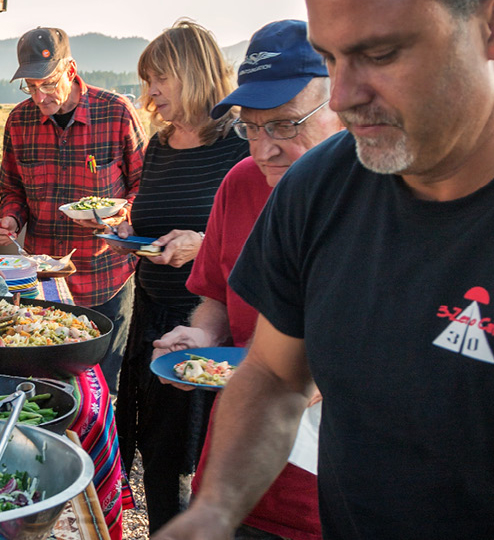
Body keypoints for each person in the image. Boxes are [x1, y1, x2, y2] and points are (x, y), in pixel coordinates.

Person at [153, 0, 494, 538]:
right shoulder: (316, 187)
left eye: (380, 53)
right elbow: (277, 375)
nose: (344, 98)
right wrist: (214, 513)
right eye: (330, 59)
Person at [153, 19, 346, 540]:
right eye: (251, 127)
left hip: (334, 496)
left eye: (285, 124)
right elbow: (216, 291)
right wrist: (202, 336)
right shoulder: (240, 184)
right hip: (235, 479)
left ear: (341, 99)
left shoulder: (384, 196)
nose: (263, 149)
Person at [99, 20, 250, 534]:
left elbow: (264, 237)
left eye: (159, 78)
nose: (150, 93)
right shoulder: (160, 146)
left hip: (211, 321)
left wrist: (204, 247)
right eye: (146, 80)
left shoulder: (243, 144)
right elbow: (152, 221)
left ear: (194, 73)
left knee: (205, 461)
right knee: (156, 456)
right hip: (152, 313)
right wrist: (126, 233)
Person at [0, 27, 147, 393]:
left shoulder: (116, 112)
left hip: (105, 275)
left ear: (71, 69)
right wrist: (11, 218)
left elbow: (144, 184)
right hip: (44, 281)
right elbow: (12, 189)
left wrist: (121, 216)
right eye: (30, 86)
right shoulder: (19, 121)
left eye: (47, 83)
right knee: (48, 386)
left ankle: (104, 450)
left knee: (103, 388)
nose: (39, 96)